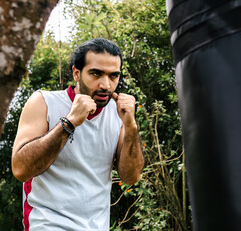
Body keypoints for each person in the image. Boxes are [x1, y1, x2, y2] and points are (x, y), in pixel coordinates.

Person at [11, 38, 144, 231]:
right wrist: (70, 122)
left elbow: (130, 178)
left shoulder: (119, 115)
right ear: (76, 73)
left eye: (113, 76)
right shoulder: (44, 101)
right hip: (47, 224)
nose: (106, 85)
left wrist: (131, 127)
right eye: (96, 74)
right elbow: (21, 169)